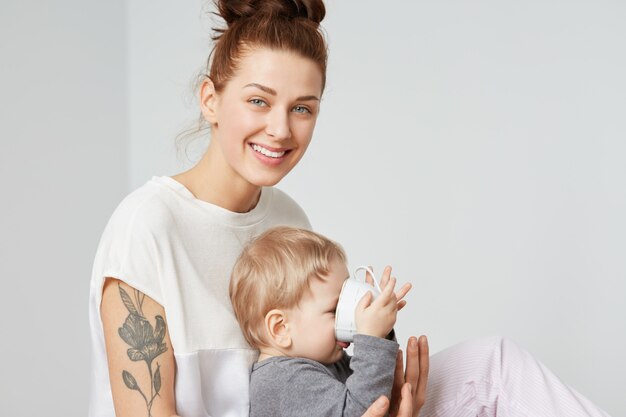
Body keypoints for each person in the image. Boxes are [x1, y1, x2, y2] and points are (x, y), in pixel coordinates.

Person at [88, 0, 611, 416]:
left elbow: (330, 370)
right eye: (258, 100)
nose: (280, 129)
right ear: (210, 99)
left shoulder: (287, 219)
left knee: (490, 368)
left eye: (302, 109)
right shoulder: (148, 227)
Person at [230, 226, 411, 417]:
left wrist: (380, 330)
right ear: (281, 328)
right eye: (335, 310)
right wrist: (373, 339)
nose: (350, 317)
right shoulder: (282, 380)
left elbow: (378, 387)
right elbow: (365, 411)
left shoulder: (325, 361)